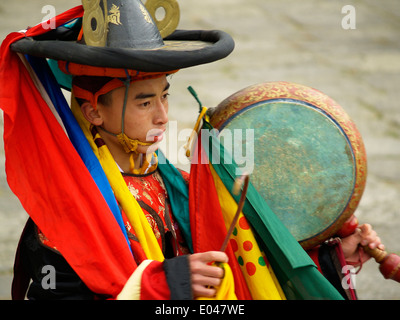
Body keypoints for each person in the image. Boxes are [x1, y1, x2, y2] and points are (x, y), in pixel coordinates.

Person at [1, 1, 383, 300]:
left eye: (165, 97)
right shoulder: (66, 217)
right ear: (93, 112)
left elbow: (246, 264)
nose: (163, 115)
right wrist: (161, 286)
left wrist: (333, 261)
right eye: (144, 103)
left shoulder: (175, 185)